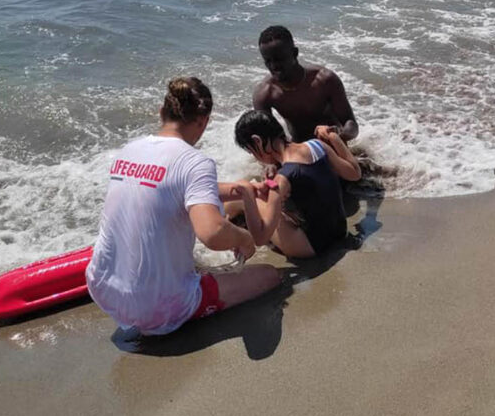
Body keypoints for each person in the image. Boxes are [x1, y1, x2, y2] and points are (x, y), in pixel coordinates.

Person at [85, 77, 280, 336]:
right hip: (159, 306)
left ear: (161, 112)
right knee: (270, 276)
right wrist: (244, 239)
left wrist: (238, 189)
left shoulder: (129, 150)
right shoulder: (194, 162)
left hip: (103, 288)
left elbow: (165, 187)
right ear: (203, 121)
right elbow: (212, 233)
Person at [234, 110, 360, 258]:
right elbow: (355, 173)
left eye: (251, 151)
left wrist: (251, 196)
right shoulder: (317, 145)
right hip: (339, 232)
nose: (255, 157)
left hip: (310, 247)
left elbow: (261, 238)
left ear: (258, 141)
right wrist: (333, 137)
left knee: (241, 193)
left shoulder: (282, 178)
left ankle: (230, 242)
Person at [253, 25, 358, 143]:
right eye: (268, 61)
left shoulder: (324, 80)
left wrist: (340, 136)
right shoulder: (265, 94)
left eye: (279, 59)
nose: (273, 66)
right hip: (298, 149)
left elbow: (352, 125)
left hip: (335, 145)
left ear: (294, 53)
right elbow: (268, 139)